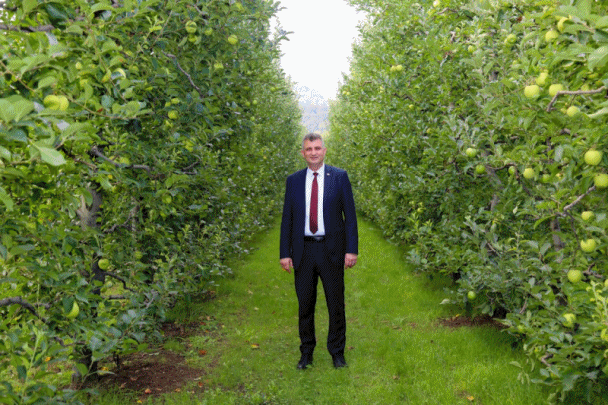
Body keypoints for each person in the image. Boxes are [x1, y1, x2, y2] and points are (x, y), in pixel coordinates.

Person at [280, 133, 358, 370]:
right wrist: (285, 253)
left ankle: (337, 352)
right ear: (302, 153)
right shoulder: (293, 181)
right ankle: (306, 353)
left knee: (336, 304)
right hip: (303, 251)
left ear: (324, 151)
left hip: (331, 249)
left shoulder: (339, 177)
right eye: (308, 149)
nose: (313, 152)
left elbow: (350, 217)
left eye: (317, 148)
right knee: (305, 304)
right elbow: (287, 219)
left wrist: (351, 250)